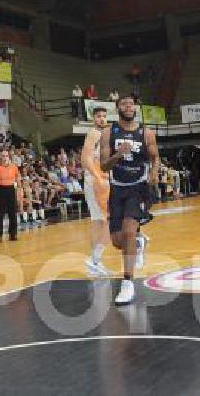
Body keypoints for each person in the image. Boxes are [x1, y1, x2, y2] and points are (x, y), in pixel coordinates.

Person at [99, 94, 160, 305]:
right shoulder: (108, 132)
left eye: (131, 103)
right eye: (124, 103)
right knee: (118, 241)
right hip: (117, 189)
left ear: (135, 108)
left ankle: (127, 283)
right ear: (118, 108)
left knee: (128, 231)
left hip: (139, 187)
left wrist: (154, 173)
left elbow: (155, 157)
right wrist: (118, 155)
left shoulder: (146, 132)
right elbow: (103, 166)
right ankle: (139, 243)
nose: (128, 106)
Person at [82, 108, 113, 276]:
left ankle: (95, 261)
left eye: (104, 116)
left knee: (99, 222)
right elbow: (84, 158)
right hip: (95, 182)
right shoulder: (93, 133)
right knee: (110, 220)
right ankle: (94, 259)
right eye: (98, 116)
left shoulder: (104, 135)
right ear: (93, 118)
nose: (101, 119)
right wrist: (97, 177)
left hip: (101, 180)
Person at [0, 150, 21, 242]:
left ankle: (13, 234)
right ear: (0, 157)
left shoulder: (14, 167)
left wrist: (19, 193)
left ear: (9, 157)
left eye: (6, 156)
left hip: (11, 190)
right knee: (0, 214)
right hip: (1, 190)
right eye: (3, 156)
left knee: (13, 213)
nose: (5, 158)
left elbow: (18, 181)